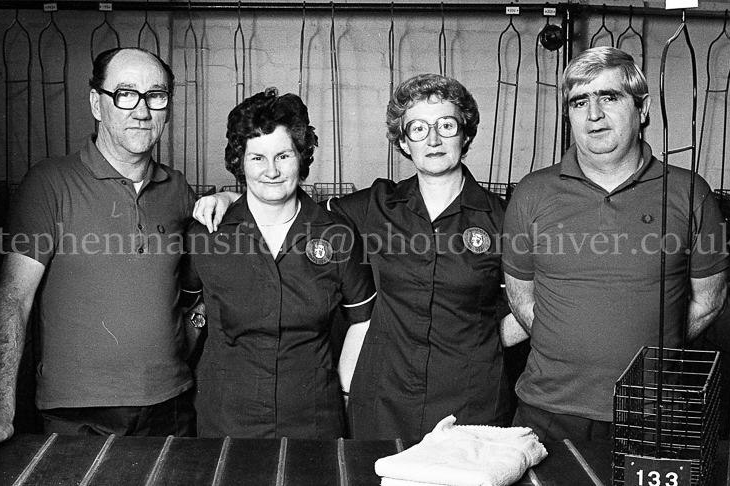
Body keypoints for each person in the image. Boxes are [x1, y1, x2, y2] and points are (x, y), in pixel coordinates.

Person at [194, 74, 517, 443]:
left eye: (446, 125)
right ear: (403, 140)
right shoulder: (372, 207)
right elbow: (288, 204)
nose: (433, 139)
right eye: (418, 128)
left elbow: (536, 301)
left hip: (473, 398)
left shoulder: (503, 217)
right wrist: (232, 200)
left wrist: (484, 342)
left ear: (466, 133)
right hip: (385, 400)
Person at [0, 47, 197, 451]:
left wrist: (232, 201)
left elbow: (199, 290)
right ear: (96, 102)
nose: (142, 110)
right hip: (78, 413)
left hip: (171, 405)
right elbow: (14, 298)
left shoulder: (178, 190)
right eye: (125, 94)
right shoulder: (49, 183)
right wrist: (2, 410)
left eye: (156, 95)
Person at [501, 47, 729, 442]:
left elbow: (709, 299)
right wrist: (568, 346)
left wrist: (653, 347)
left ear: (641, 110)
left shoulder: (689, 192)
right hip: (547, 412)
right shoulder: (532, 193)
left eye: (609, 97)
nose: (593, 114)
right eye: (579, 101)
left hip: (654, 411)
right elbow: (522, 297)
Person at [182, 88, 376, 439]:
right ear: (239, 161)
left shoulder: (338, 235)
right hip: (225, 417)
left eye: (283, 155)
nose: (271, 171)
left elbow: (362, 321)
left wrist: (345, 394)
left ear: (301, 157)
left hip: (314, 416)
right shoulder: (206, 235)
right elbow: (186, 312)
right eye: (257, 158)